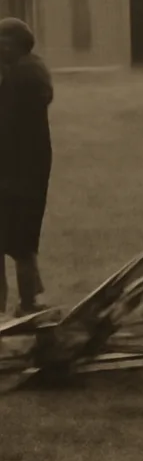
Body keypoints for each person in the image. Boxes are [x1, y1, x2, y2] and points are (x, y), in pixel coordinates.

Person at [0, 17, 53, 318]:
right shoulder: (32, 70)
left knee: (16, 243)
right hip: (29, 174)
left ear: (12, 45)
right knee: (23, 244)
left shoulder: (21, 78)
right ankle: (31, 301)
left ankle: (24, 304)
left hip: (12, 175)